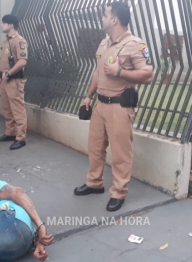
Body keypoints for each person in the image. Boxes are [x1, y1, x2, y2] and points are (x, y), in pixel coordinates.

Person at [74, 1, 153, 212]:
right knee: (95, 148)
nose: (102, 18)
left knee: (120, 154)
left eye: (105, 14)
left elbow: (148, 74)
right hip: (100, 104)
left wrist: (120, 72)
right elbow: (97, 71)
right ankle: (94, 183)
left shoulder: (136, 44)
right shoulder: (104, 43)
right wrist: (88, 96)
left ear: (114, 19)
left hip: (120, 107)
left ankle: (118, 193)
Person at [0, 14, 29, 150]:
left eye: (4, 23)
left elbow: (22, 61)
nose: (1, 25)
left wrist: (8, 73)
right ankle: (10, 132)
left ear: (11, 25)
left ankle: (20, 137)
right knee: (6, 108)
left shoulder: (19, 41)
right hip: (4, 79)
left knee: (17, 109)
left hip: (14, 80)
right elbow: (3, 63)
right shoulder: (5, 42)